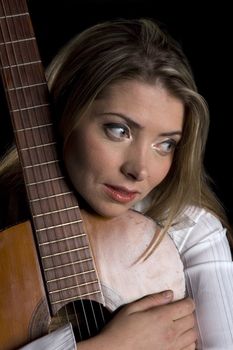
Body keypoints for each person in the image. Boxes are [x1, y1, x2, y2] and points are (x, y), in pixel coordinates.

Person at [0, 18, 233, 350]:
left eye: (165, 144)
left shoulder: (191, 231)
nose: (139, 169)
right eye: (119, 130)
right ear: (66, 112)